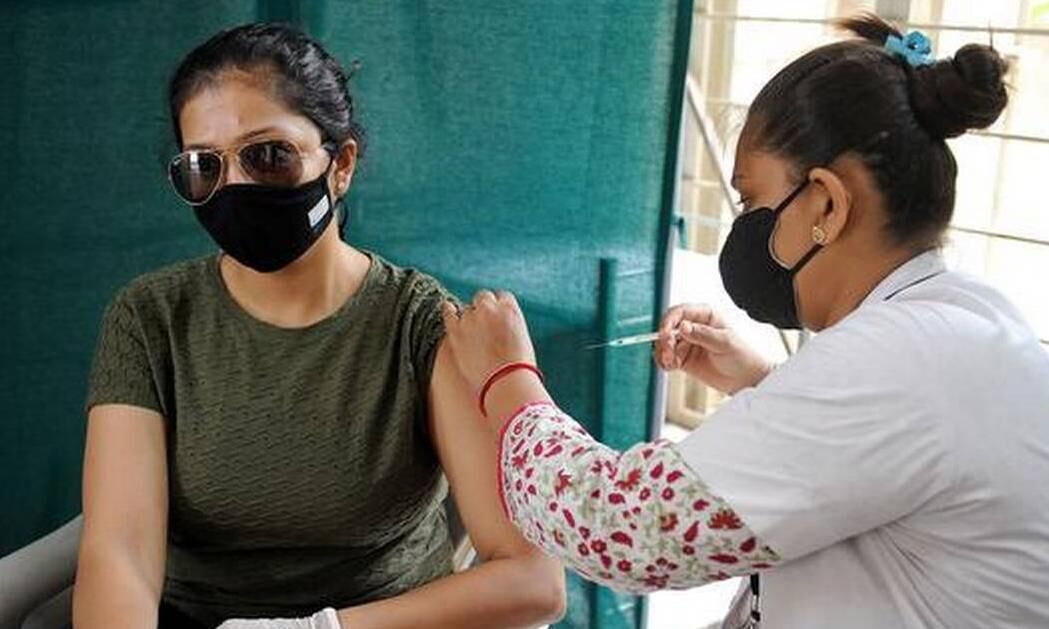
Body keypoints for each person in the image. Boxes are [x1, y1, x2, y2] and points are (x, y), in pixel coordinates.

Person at [440, 15, 1049, 629]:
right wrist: (763, 383)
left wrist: (506, 380)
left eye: (752, 200)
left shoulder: (900, 362)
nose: (745, 226)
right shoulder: (961, 320)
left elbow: (620, 529)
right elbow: (878, 460)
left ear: (827, 204)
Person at [73, 23, 565, 629]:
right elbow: (120, 553)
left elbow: (533, 579)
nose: (236, 187)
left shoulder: (417, 323)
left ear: (342, 165)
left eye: (269, 155)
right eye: (205, 166)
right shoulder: (151, 318)